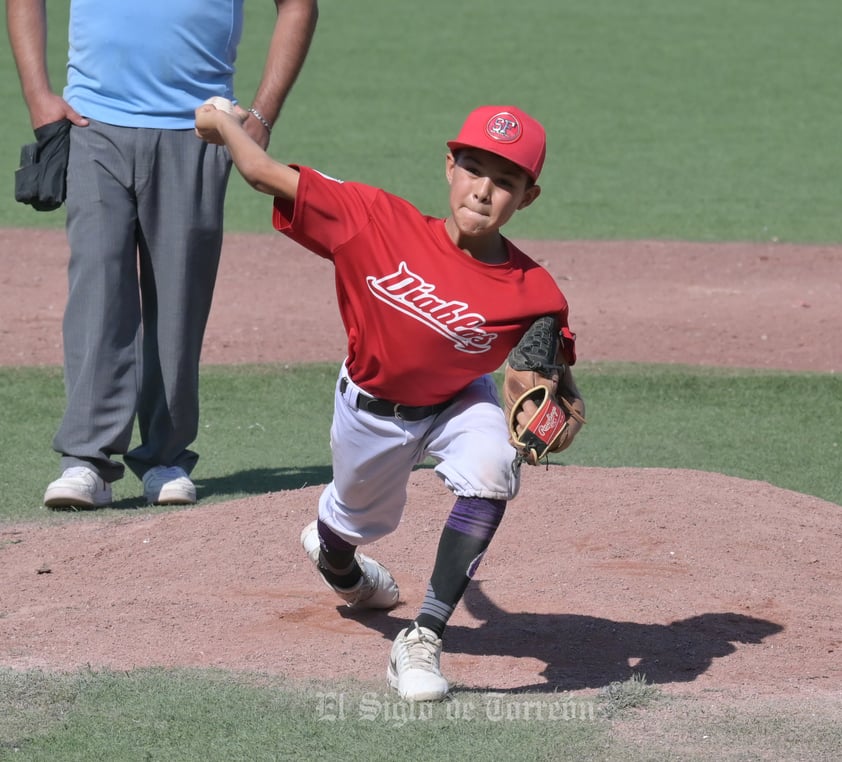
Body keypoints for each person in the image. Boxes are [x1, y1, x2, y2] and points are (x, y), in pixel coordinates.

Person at [194, 101, 585, 701]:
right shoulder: (374, 220)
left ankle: (422, 636)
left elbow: (550, 377)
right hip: (370, 412)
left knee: (493, 466)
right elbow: (263, 174)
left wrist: (563, 406)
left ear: (526, 197)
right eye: (474, 169)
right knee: (353, 527)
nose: (484, 192)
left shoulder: (535, 292)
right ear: (449, 166)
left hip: (459, 402)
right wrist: (223, 125)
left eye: (505, 182)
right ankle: (340, 562)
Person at [6, 0, 319, 508]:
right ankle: (87, 460)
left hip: (196, 130)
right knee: (98, 290)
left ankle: (164, 457)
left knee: (179, 301)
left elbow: (298, 7)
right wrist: (37, 94)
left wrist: (260, 118)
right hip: (92, 124)